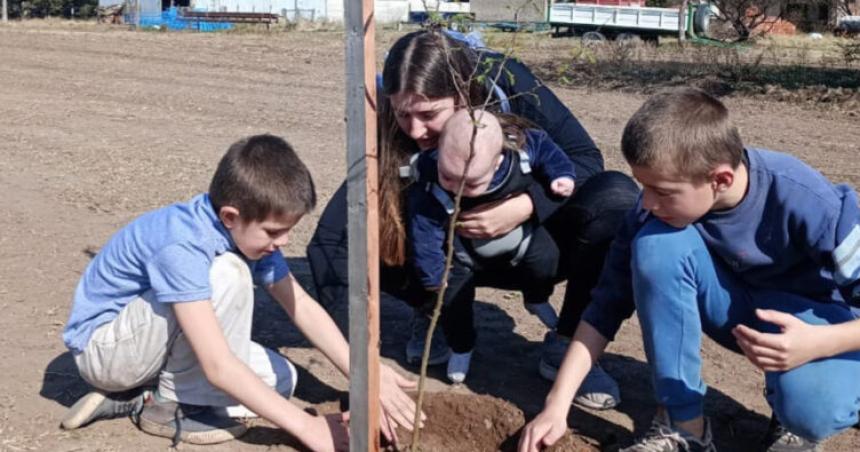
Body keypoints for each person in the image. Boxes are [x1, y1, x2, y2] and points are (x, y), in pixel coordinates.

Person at [307, 29, 639, 410]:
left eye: (429, 114)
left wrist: (526, 205)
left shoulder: (511, 83)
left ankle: (568, 347)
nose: (415, 131)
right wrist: (362, 367)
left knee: (616, 199)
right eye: (403, 114)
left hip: (531, 250)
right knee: (375, 207)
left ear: (464, 95)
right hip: (441, 260)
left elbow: (585, 159)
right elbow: (330, 242)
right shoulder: (387, 127)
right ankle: (435, 310)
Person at [519, 88, 860, 452]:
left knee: (810, 412)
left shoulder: (809, 200)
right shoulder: (651, 210)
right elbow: (603, 308)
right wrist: (556, 406)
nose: (647, 202)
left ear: (721, 180)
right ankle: (684, 427)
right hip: (743, 312)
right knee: (655, 243)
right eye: (643, 186)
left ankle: (801, 405)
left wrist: (817, 343)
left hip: (820, 326)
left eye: (662, 191)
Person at [59, 135, 422, 451]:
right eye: (273, 232)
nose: (284, 242)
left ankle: (143, 396)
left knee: (283, 380)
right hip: (106, 351)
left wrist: (364, 373)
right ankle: (168, 406)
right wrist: (307, 427)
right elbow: (217, 365)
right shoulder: (183, 245)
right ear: (231, 216)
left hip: (152, 345)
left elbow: (302, 307)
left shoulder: (243, 233)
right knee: (228, 275)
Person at [408, 109, 576, 383]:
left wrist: (562, 175)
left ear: (497, 163)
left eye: (470, 183)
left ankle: (536, 297)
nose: (457, 188)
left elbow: (547, 148)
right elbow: (424, 232)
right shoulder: (430, 180)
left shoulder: (520, 152)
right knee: (453, 300)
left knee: (547, 259)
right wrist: (433, 276)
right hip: (462, 252)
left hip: (521, 238)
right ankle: (461, 347)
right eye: (448, 177)